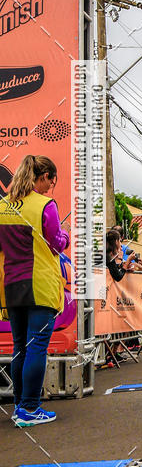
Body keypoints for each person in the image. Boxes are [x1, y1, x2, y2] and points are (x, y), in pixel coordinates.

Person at [0, 155, 69, 427]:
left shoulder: (3, 205)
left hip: (11, 285)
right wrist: (65, 234)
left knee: (20, 347)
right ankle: (30, 408)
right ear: (44, 176)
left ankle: (20, 406)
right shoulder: (45, 205)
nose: (51, 187)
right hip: (39, 284)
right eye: (51, 181)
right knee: (36, 346)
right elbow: (56, 244)